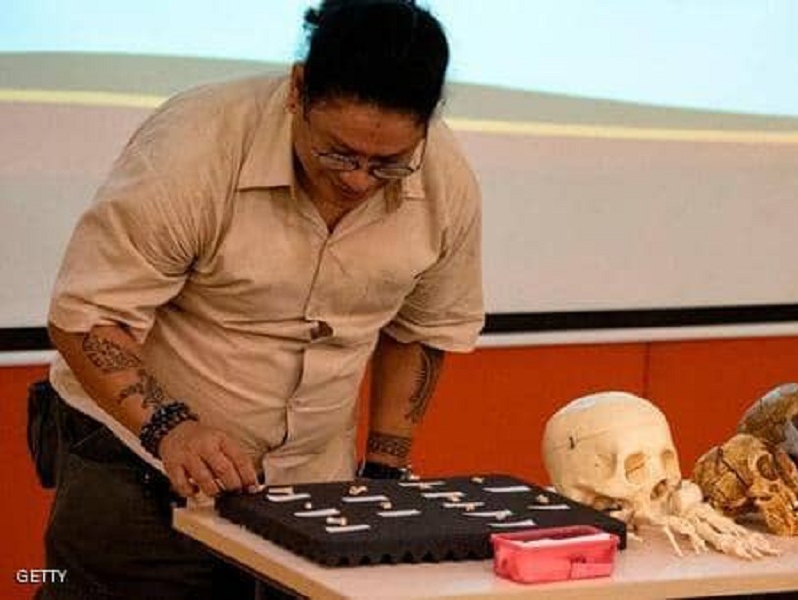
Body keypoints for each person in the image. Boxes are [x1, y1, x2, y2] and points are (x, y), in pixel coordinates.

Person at [38, 0, 483, 597]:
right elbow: (87, 319)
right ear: (298, 89)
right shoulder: (195, 147)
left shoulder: (444, 178)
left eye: (388, 166)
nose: (358, 179)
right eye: (338, 153)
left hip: (310, 491)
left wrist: (383, 472)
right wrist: (173, 429)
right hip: (138, 473)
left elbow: (420, 331)